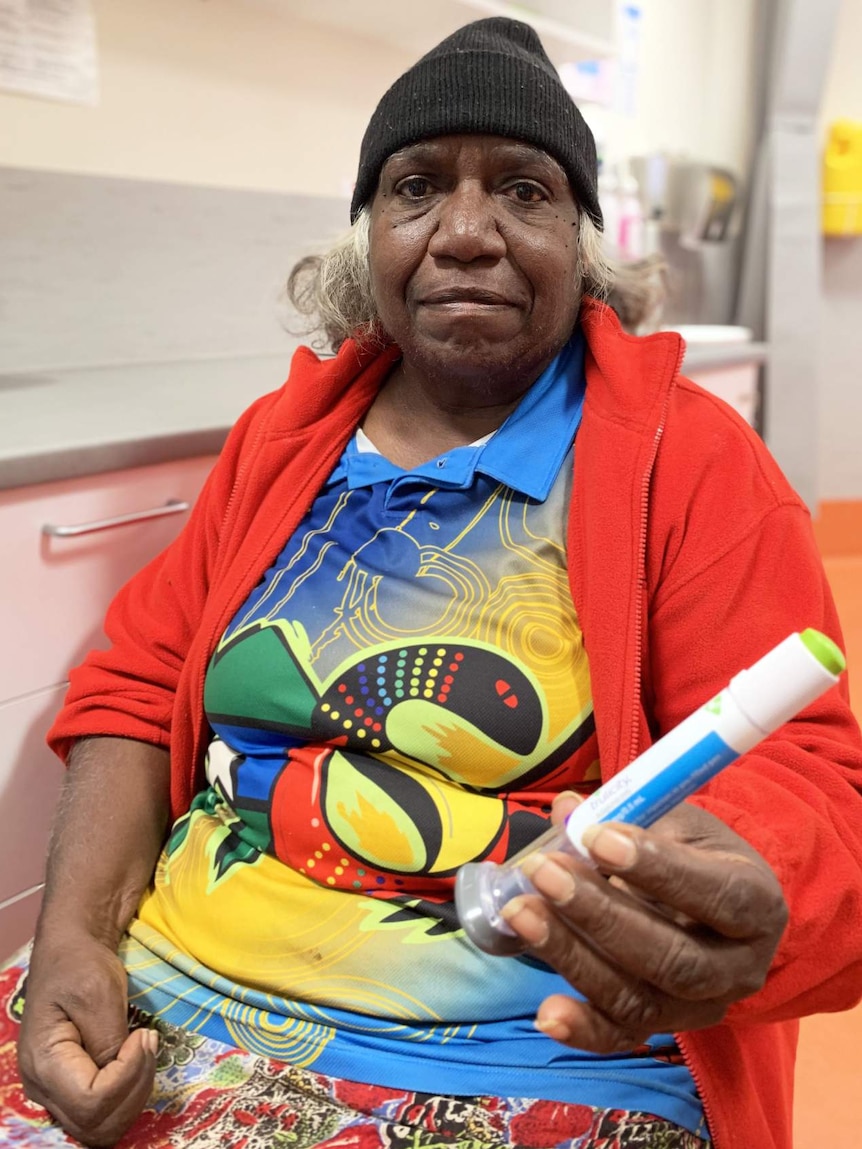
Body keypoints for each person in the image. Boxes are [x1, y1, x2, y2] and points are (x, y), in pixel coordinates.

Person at [2, 16, 861, 1149]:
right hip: (173, 992)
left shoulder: (687, 463)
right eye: (416, 187)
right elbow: (136, 676)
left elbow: (809, 781)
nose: (466, 232)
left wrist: (753, 883)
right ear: (368, 240)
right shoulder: (283, 439)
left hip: (535, 1054)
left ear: (583, 246)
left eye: (522, 190)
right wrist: (72, 940)